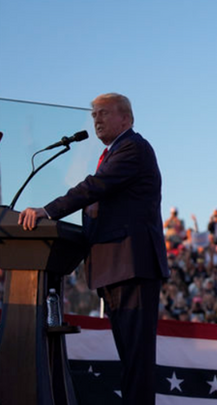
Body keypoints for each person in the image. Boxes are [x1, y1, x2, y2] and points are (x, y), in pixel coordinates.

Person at [18, 93, 169, 404]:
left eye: (103, 113)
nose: (96, 120)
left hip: (132, 268)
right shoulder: (114, 152)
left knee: (136, 363)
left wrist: (48, 211)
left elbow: (94, 187)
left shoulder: (132, 148)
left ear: (126, 119)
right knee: (130, 360)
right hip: (114, 269)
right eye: (94, 115)